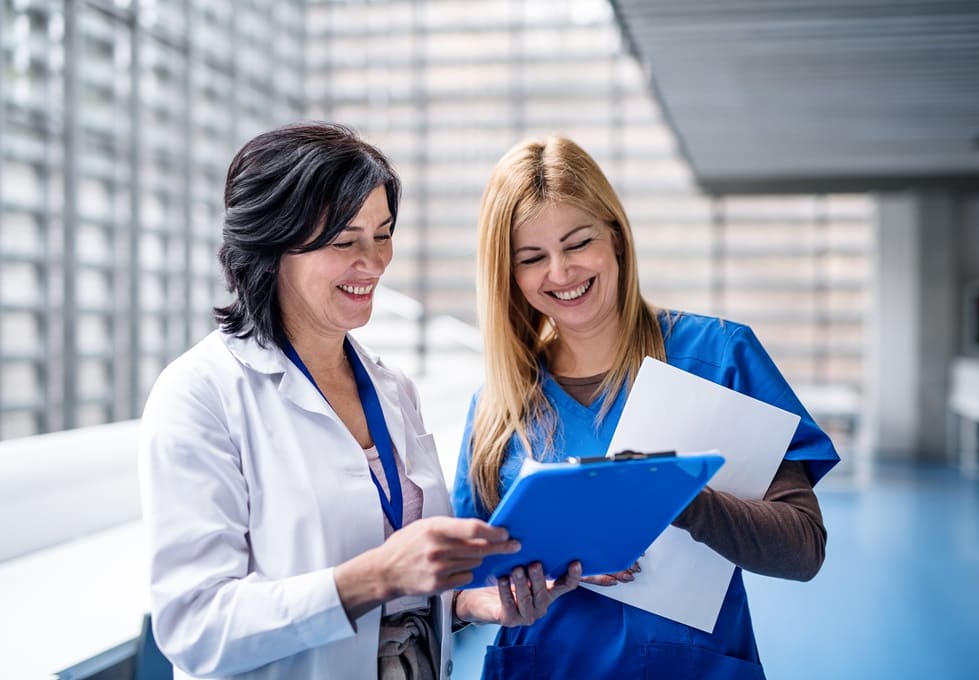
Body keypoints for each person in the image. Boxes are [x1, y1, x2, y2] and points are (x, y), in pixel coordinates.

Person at [138, 122, 577, 680]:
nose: (373, 262)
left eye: (384, 233)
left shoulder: (392, 390)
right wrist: (376, 577)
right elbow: (194, 627)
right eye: (345, 241)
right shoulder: (201, 394)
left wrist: (470, 604)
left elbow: (405, 594)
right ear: (274, 245)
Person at [450, 136, 840, 678]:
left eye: (577, 242)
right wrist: (491, 598)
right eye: (532, 258)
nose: (561, 272)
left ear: (615, 236)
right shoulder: (499, 407)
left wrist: (676, 496)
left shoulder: (717, 358)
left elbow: (802, 549)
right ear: (509, 277)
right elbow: (456, 584)